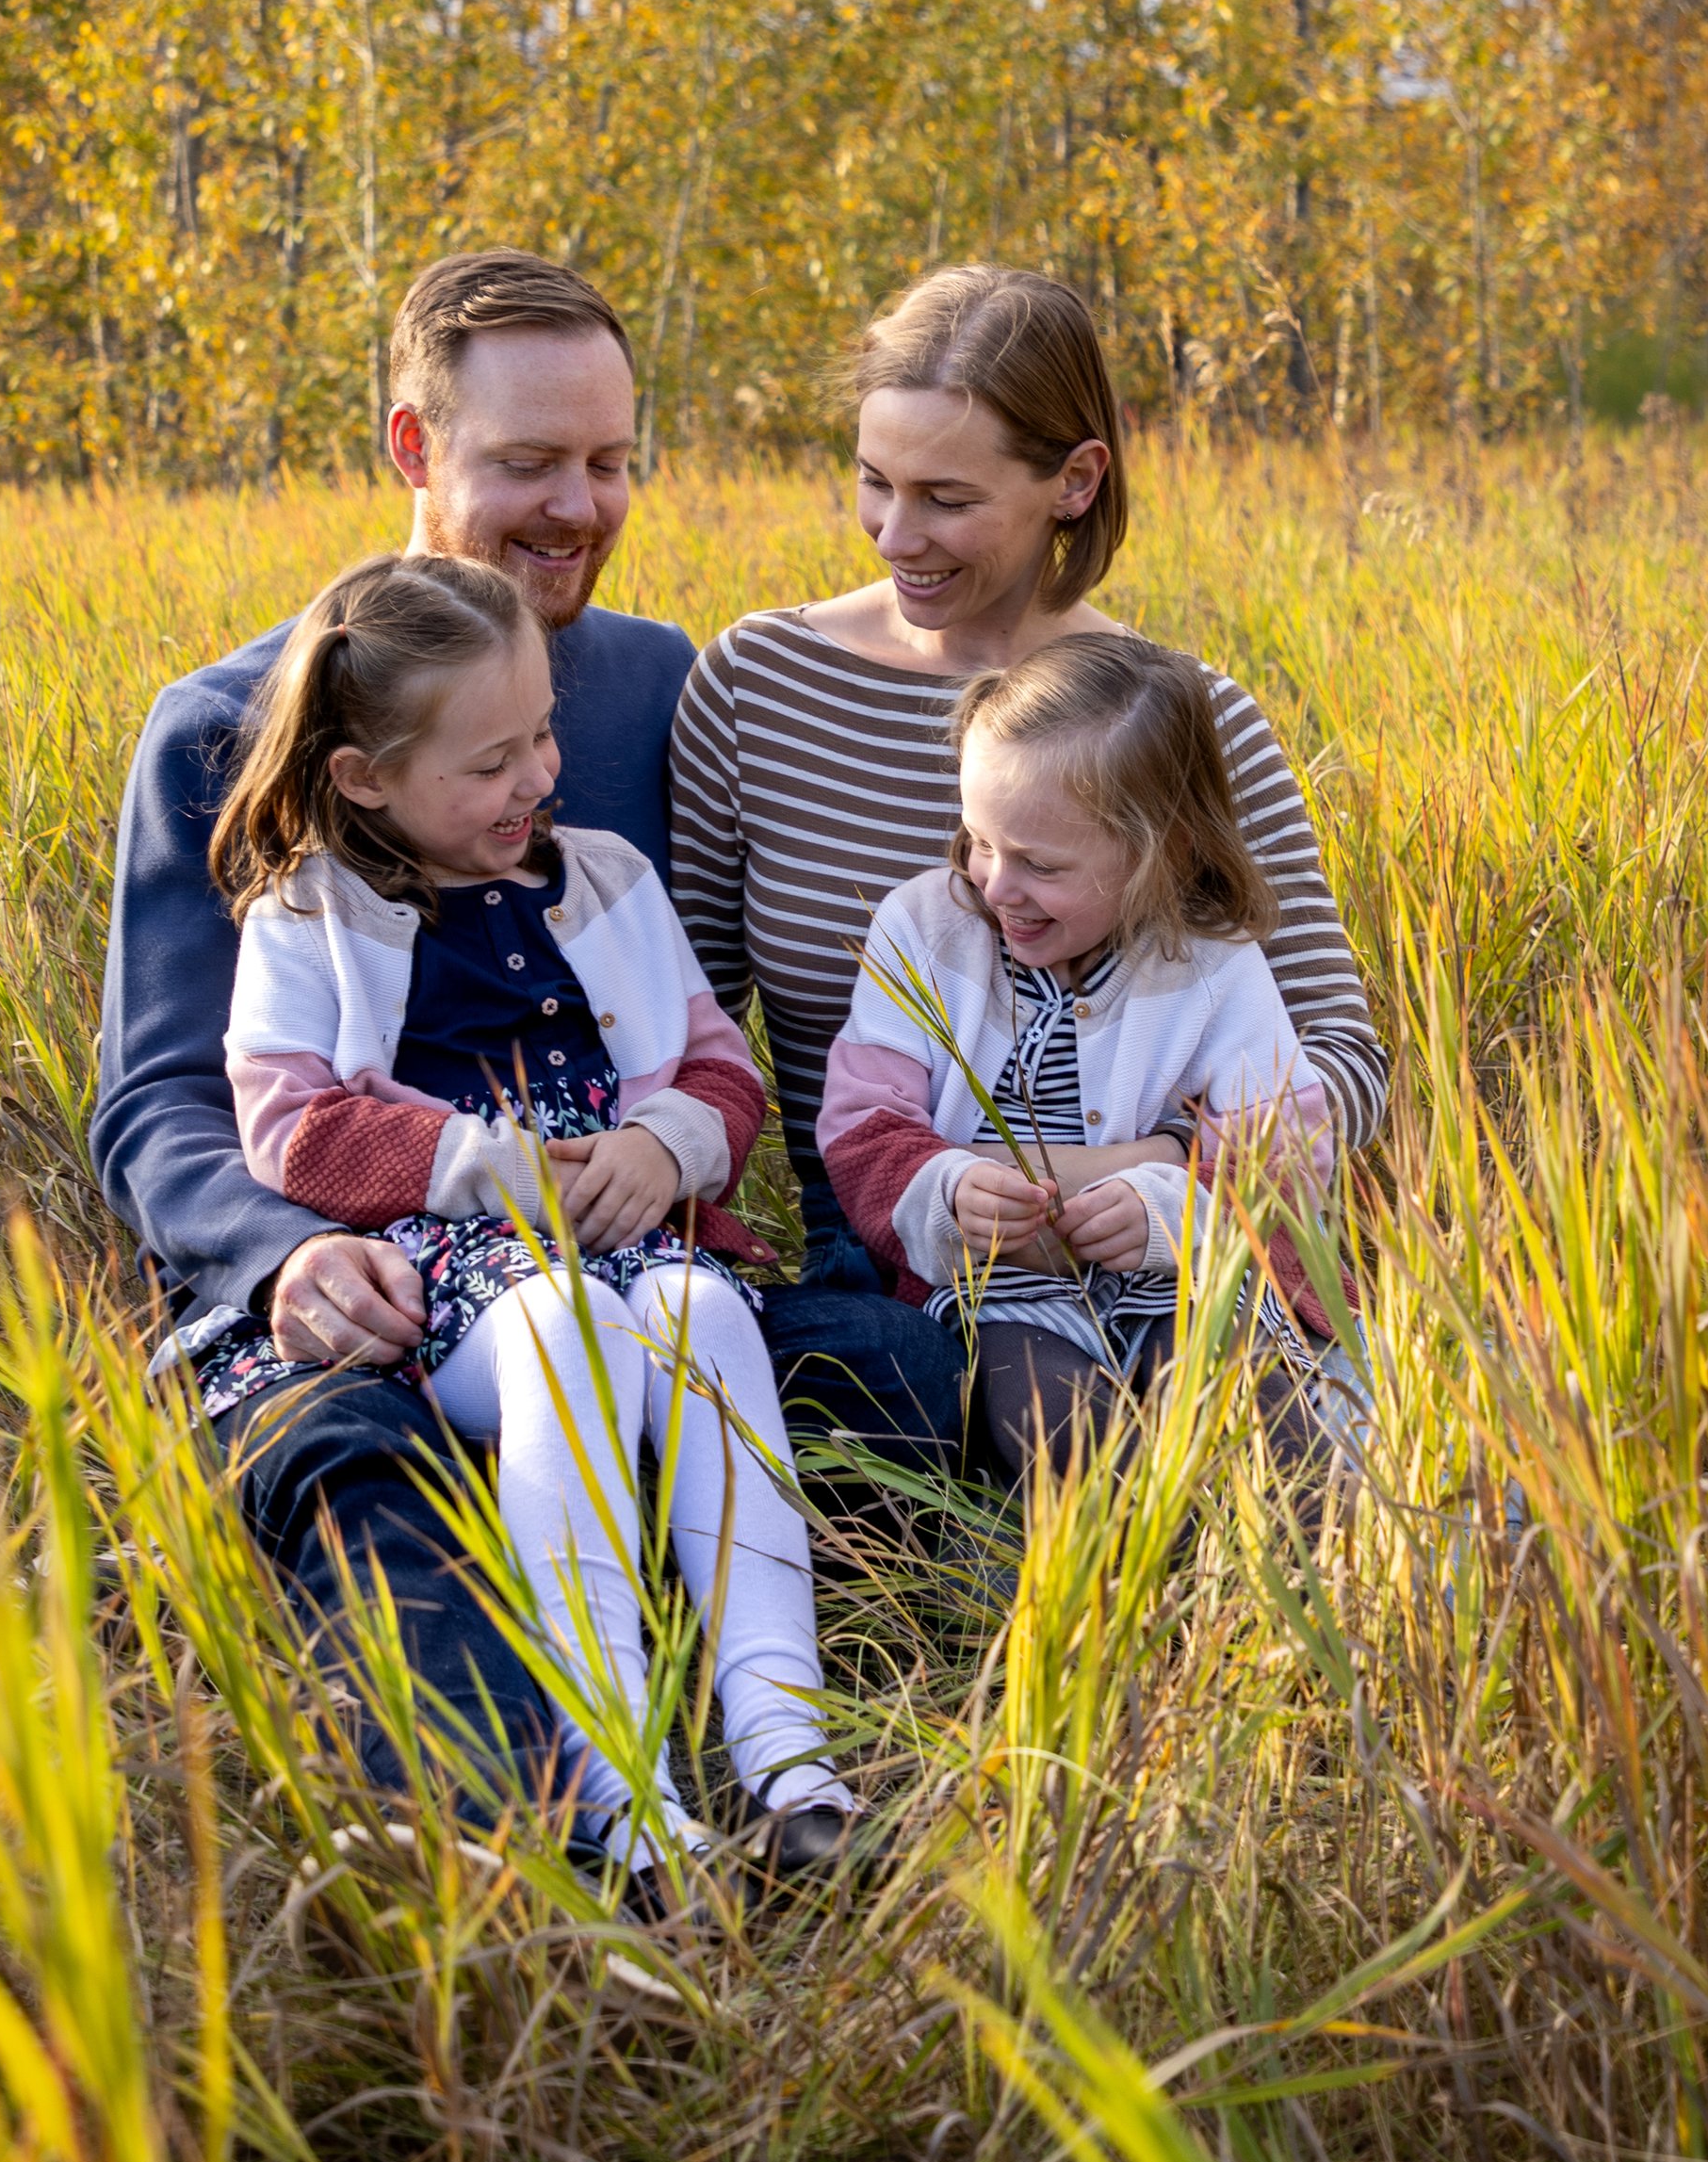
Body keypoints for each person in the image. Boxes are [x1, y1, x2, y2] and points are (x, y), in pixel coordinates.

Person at [89, 246, 952, 1814]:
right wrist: (281, 1256)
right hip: (354, 1289)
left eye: (613, 462)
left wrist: (683, 1141)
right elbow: (159, 1098)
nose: (578, 507)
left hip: (620, 1266)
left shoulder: (652, 688)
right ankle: (568, 1824)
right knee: (362, 1474)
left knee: (897, 1375)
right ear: (415, 448)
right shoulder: (231, 728)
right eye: (528, 463)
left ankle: (776, 1722)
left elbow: (712, 1004)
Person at [207, 547, 852, 1872]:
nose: (538, 778)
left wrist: (670, 1148)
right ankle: (625, 1787)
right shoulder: (307, 908)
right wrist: (487, 1167)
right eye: (491, 762)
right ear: (364, 776)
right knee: (562, 1326)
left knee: (701, 1318)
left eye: (544, 733)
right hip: (451, 1273)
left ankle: (790, 1755)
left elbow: (718, 1061)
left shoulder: (607, 874)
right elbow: (288, 1124)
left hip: (638, 1234)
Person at [670, 267, 1387, 1455]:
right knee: (912, 1391)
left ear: (1074, 479)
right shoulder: (757, 686)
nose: (896, 535)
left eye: (946, 497)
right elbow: (678, 1032)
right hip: (895, 1246)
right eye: (872, 481)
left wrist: (1155, 1171)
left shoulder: (1174, 723)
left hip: (1172, 1224)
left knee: (1278, 1427)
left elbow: (1340, 1068)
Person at [819, 632, 1360, 1479]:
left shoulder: (1212, 965)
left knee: (1264, 1416)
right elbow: (863, 1131)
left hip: (1183, 1283)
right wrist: (952, 1192)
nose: (996, 886)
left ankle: (1314, 1580)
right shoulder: (925, 931)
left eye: (1040, 864)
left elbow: (1287, 1161)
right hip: (999, 1296)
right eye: (979, 840)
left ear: (1163, 853)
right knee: (1054, 1424)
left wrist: (1163, 1207)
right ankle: (1135, 1578)